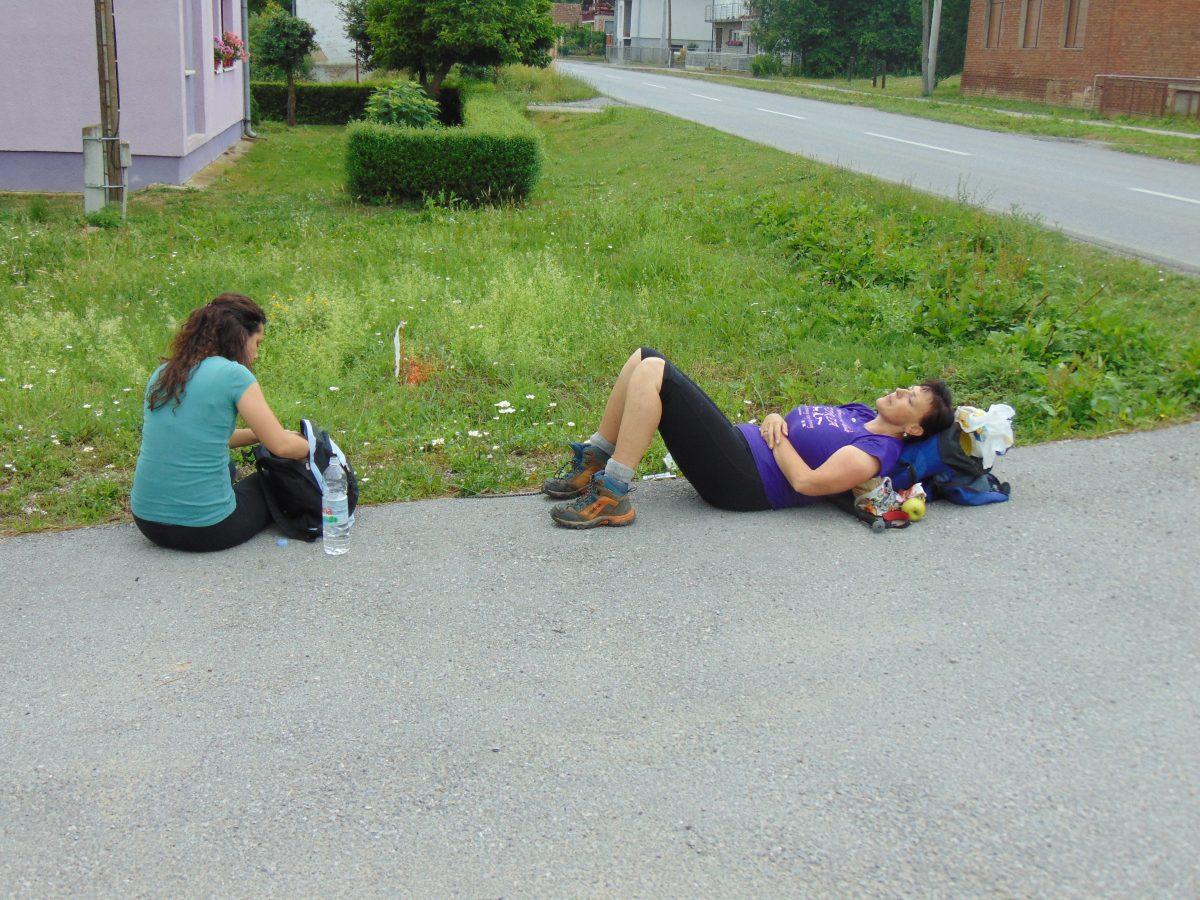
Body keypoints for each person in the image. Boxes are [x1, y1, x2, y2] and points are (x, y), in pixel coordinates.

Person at [544, 348, 953, 528]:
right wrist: (773, 417)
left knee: (655, 373)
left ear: (914, 429)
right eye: (908, 388)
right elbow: (791, 422)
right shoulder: (860, 413)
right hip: (740, 448)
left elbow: (807, 482)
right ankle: (595, 459)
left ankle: (613, 494)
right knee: (644, 356)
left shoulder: (877, 452)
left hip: (745, 481)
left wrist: (776, 439)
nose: (901, 391)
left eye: (911, 398)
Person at [130, 294, 309, 552]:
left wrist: (257, 435)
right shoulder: (234, 375)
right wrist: (311, 447)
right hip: (208, 530)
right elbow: (281, 446)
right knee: (271, 480)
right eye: (257, 343)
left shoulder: (164, 373)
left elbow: (202, 438)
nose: (257, 354)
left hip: (148, 523)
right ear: (240, 337)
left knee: (228, 465)